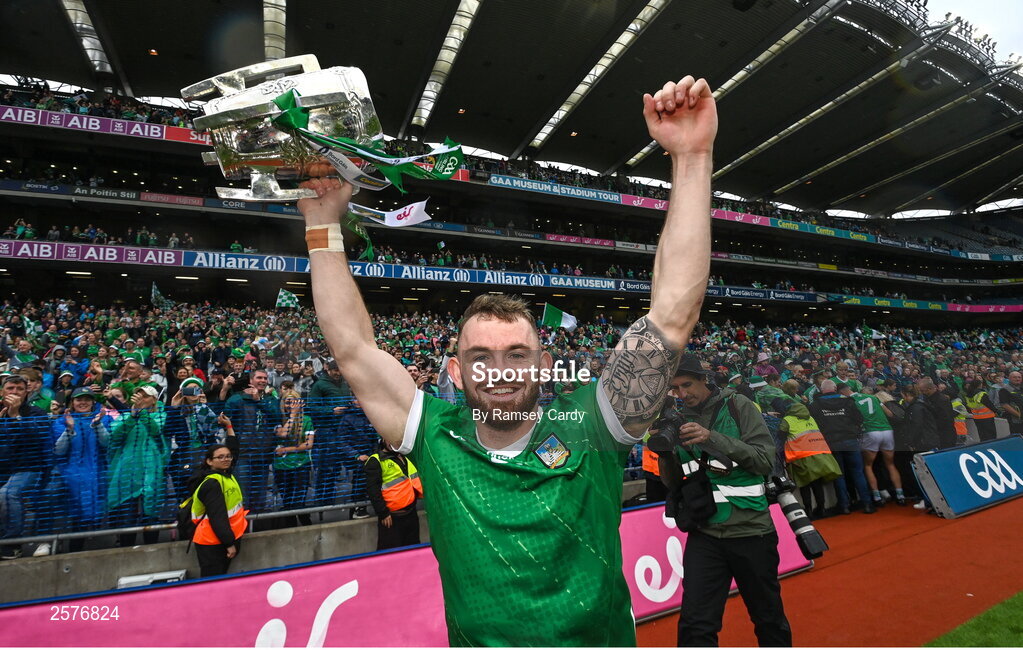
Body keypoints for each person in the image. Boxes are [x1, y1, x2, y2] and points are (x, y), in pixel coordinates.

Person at [295, 75, 715, 646]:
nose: (500, 368)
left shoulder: (593, 423)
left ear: (543, 366)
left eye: (518, 354)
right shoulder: (432, 435)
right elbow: (352, 346)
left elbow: (670, 317)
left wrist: (692, 159)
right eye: (481, 356)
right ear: (457, 370)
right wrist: (322, 228)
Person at [660, 355, 792, 647]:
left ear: (704, 379)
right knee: (695, 624)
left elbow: (762, 460)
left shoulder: (738, 405)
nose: (682, 394)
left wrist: (712, 437)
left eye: (687, 385)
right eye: (675, 389)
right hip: (704, 533)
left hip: (751, 531)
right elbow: (673, 483)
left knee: (768, 618)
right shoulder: (678, 419)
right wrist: (665, 451)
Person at [38, 387, 112, 556]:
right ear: (72, 402)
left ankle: (88, 538)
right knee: (72, 511)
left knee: (93, 508)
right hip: (69, 474)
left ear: (93, 402)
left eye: (87, 399)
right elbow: (58, 450)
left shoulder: (103, 419)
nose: (83, 402)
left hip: (97, 472)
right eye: (79, 399)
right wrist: (69, 429)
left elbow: (107, 444)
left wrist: (98, 424)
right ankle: (70, 547)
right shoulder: (61, 421)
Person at [105, 385, 170, 547]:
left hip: (152, 470)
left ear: (154, 400)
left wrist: (140, 413)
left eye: (145, 396)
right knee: (127, 513)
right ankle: (126, 549)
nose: (141, 399)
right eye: (138, 396)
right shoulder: (126, 416)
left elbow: (156, 430)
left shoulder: (161, 415)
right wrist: (132, 415)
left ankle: (152, 549)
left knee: (151, 512)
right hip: (128, 470)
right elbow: (116, 435)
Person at [0, 375, 51, 560]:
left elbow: (38, 437)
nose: (14, 392)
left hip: (28, 467)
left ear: (26, 392)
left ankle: (11, 545)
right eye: (10, 388)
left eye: (19, 389)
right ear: (2, 392)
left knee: (8, 494)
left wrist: (15, 417)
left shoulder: (37, 412)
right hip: (3, 468)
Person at [186, 432, 246, 577]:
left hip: (218, 539)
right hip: (213, 543)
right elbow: (217, 517)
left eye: (228, 456)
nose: (226, 459)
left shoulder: (224, 474)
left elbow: (234, 452)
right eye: (220, 457)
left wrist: (229, 428)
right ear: (209, 461)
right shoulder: (212, 483)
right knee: (212, 583)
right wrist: (229, 544)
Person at [809, 380, 873, 515]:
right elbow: (859, 419)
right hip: (850, 440)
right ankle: (867, 503)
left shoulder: (815, 405)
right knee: (858, 472)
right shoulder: (848, 402)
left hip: (831, 442)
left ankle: (844, 506)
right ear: (835, 388)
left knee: (839, 476)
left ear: (821, 390)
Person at [839, 382, 905, 507]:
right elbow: (890, 414)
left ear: (842, 393)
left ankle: (877, 496)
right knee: (890, 464)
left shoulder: (850, 401)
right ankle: (900, 495)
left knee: (868, 465)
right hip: (886, 430)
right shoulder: (873, 397)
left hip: (870, 432)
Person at [363, 439, 422, 550]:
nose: (392, 441)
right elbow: (372, 490)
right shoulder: (376, 461)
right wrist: (383, 513)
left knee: (413, 552)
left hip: (411, 514)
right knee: (390, 554)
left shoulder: (405, 456)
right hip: (392, 518)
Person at [272, 390, 314, 527]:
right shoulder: (277, 419)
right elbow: (284, 434)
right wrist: (293, 415)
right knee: (287, 502)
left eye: (294, 401)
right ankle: (290, 527)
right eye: (288, 402)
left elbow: (308, 444)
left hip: (301, 465)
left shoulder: (307, 419)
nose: (291, 405)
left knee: (299, 501)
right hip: (281, 467)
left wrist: (286, 449)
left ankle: (307, 527)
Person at [998, 371, 1023, 435]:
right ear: (1009, 378)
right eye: (1014, 377)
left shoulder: (1021, 388)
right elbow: (1004, 405)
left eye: (1019, 377)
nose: (1017, 379)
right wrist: (1019, 415)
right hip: (1015, 420)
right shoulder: (1004, 389)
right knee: (1018, 438)